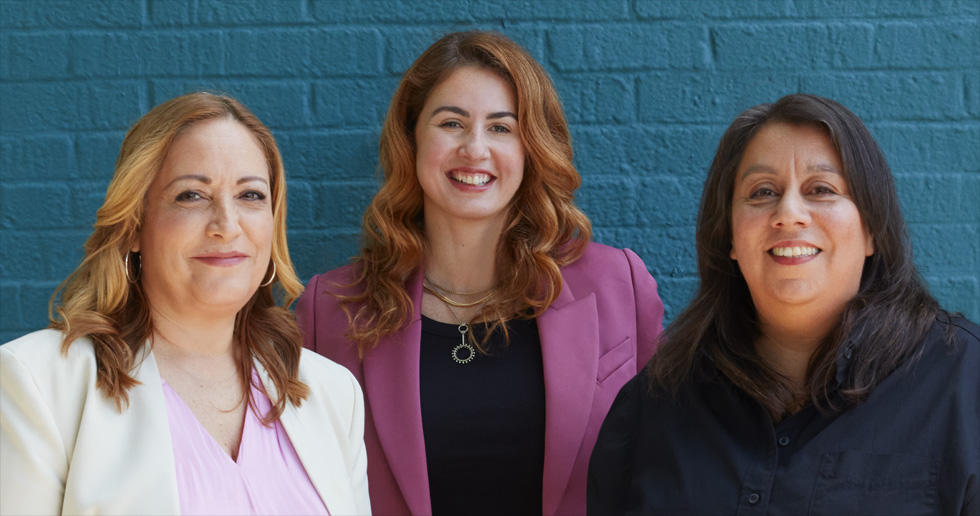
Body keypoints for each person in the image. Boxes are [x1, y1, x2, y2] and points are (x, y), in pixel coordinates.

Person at [297, 30, 664, 515]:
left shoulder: (617, 284)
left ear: (531, 147)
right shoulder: (332, 308)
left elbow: (667, 464)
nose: (475, 148)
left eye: (501, 128)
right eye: (451, 123)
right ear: (411, 139)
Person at [588, 93, 979, 515]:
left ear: (871, 230)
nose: (789, 213)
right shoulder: (657, 403)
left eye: (821, 190)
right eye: (763, 192)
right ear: (730, 237)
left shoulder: (962, 381)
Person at [0, 92, 370, 515]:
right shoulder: (39, 384)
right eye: (191, 195)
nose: (227, 226)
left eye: (250, 195)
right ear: (134, 226)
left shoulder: (332, 392)